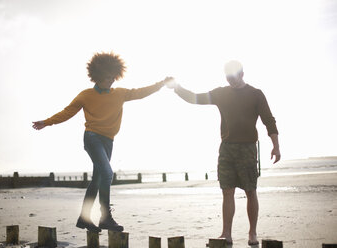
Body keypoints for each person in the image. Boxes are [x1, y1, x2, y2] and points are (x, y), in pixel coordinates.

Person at [32, 52, 173, 232]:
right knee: (107, 174)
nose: (111, 81)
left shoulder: (120, 93)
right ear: (97, 76)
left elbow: (141, 92)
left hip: (108, 141)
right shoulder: (85, 95)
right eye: (107, 77)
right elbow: (67, 112)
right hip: (92, 138)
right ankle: (105, 217)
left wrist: (161, 84)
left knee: (97, 180)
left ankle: (84, 217)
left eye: (113, 78)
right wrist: (47, 122)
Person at [167, 60, 280, 246]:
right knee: (227, 191)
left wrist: (276, 146)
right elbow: (195, 98)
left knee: (250, 191)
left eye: (234, 77)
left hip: (248, 148)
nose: (231, 80)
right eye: (228, 77)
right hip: (227, 148)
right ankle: (226, 233)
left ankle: (252, 233)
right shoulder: (221, 93)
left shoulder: (255, 94)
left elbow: (269, 121)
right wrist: (177, 88)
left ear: (242, 74)